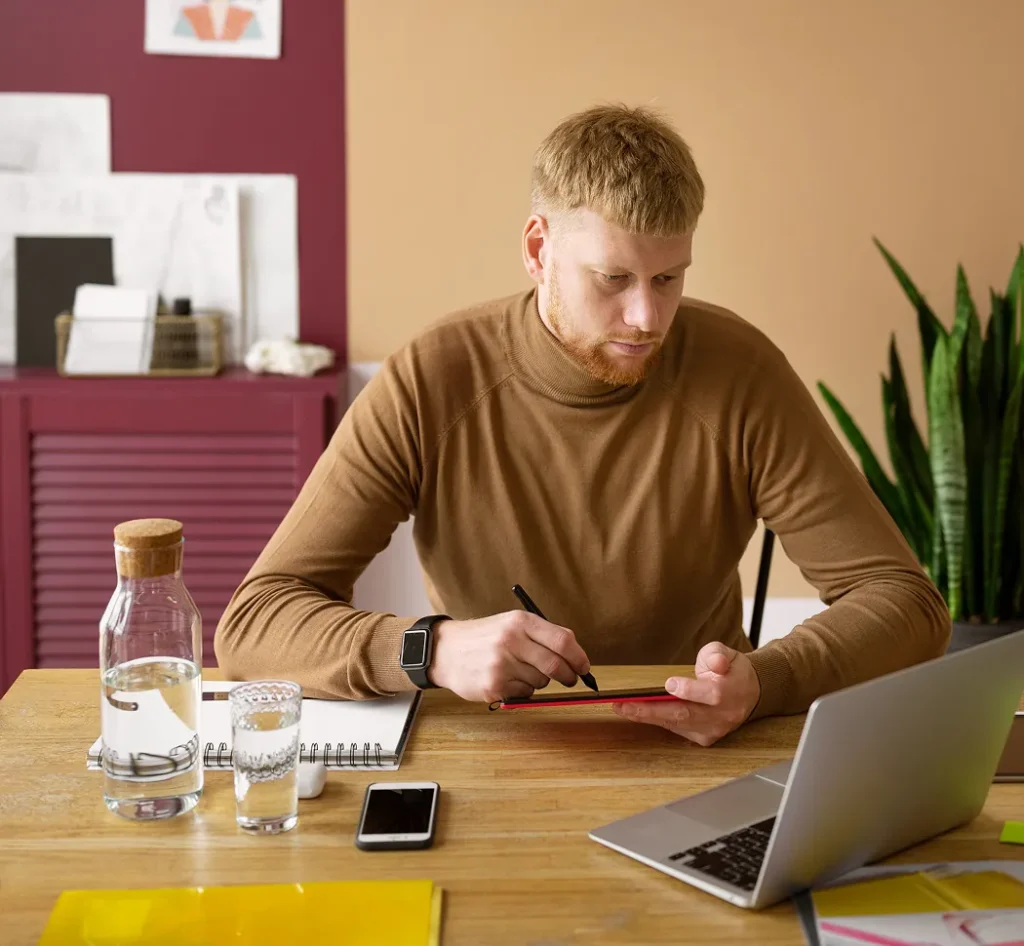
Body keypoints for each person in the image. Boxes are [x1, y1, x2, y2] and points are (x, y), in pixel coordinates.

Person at [215, 104, 950, 746]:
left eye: (669, 279)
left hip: (702, 745)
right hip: (500, 745)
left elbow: (906, 604)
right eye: (614, 279)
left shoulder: (739, 369)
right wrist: (429, 652)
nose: (647, 319)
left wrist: (766, 681)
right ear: (539, 250)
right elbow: (252, 626)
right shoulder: (432, 378)